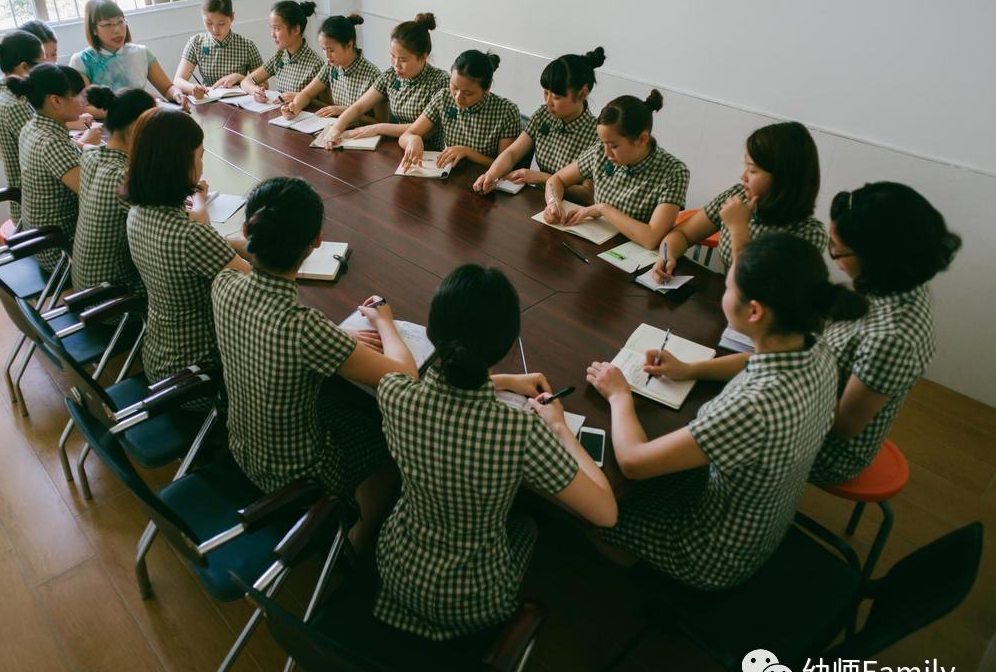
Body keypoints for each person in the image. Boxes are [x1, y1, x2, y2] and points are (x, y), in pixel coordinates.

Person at [586, 234, 865, 588]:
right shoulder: (817, 349)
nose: (724, 294)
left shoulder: (753, 407)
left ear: (754, 312)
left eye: (729, 287)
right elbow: (751, 360)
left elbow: (634, 463)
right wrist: (690, 369)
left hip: (712, 553)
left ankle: (642, 572)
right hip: (766, 519)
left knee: (597, 512)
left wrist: (619, 395)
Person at [373, 264, 617, 640]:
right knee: (528, 525)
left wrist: (502, 381)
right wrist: (559, 427)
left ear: (433, 331)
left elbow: (440, 390)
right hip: (475, 601)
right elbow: (606, 513)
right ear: (506, 346)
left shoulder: (394, 392)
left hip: (396, 568)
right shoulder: (519, 431)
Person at [211, 177, 416, 547]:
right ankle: (354, 538)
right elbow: (405, 376)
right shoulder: (305, 328)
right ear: (317, 241)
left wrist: (334, 339)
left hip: (240, 446)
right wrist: (384, 321)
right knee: (386, 435)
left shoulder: (224, 284)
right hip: (297, 476)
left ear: (247, 230)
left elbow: (231, 250)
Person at [810, 182, 961, 485]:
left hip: (827, 452)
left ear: (876, 258)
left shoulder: (893, 339)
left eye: (837, 249)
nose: (833, 255)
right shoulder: (896, 281)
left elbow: (843, 425)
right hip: (814, 385)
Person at [124, 109, 249, 382]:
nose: (202, 165)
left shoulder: (138, 212)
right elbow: (257, 285)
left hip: (159, 355)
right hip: (201, 371)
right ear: (179, 164)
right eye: (200, 156)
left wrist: (231, 242)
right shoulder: (191, 236)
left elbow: (199, 245)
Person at [653, 122, 827, 281]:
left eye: (752, 170)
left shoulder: (809, 234)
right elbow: (682, 234)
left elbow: (754, 286)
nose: (743, 176)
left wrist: (738, 229)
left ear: (782, 178)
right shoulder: (739, 197)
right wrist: (666, 257)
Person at [543, 90, 689, 249]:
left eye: (614, 146)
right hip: (594, 243)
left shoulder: (674, 173)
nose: (606, 153)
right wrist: (553, 203)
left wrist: (603, 209)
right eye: (603, 143)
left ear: (642, 139)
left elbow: (651, 238)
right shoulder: (601, 150)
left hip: (631, 255)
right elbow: (556, 179)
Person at [474, 48, 606, 200]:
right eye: (546, 93)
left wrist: (543, 178)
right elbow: (512, 153)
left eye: (556, 97)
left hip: (569, 208)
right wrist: (490, 175)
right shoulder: (543, 115)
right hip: (538, 201)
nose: (548, 102)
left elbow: (587, 194)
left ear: (583, 93)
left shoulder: (597, 135)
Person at [318, 12, 448, 149]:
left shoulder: (440, 82)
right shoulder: (391, 75)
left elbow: (426, 131)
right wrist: (336, 130)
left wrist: (378, 128)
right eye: (392, 56)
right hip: (397, 147)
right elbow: (359, 106)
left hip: (428, 153)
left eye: (403, 60)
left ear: (423, 57)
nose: (396, 65)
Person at [70, 86, 155, 295]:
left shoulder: (91, 157)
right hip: (114, 294)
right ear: (136, 127)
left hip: (83, 285)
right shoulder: (124, 177)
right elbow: (163, 225)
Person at [9, 63, 90, 272]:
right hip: (61, 251)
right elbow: (92, 194)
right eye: (78, 94)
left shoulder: (32, 127)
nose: (84, 99)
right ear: (55, 101)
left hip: (40, 241)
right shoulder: (52, 143)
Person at [398, 50, 521, 171]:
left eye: (468, 93)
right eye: (454, 87)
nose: (458, 97)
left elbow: (506, 165)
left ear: (487, 88)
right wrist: (413, 139)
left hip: (483, 178)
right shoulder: (443, 97)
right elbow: (405, 136)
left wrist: (467, 152)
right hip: (448, 173)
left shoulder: (507, 111)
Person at [68, 0, 183, 105]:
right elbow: (83, 106)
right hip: (106, 119)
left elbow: (167, 88)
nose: (117, 30)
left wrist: (177, 94)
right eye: (108, 24)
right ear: (93, 29)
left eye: (120, 22)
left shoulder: (141, 53)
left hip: (141, 115)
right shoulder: (82, 61)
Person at [0, 30, 43, 224]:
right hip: (34, 205)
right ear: (24, 67)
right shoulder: (16, 105)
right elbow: (44, 154)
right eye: (42, 64)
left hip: (23, 196)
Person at [278, 13, 382, 121]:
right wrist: (294, 108)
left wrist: (344, 111)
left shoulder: (373, 76)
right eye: (323, 49)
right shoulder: (330, 66)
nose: (327, 56)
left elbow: (380, 122)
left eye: (331, 50)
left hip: (360, 130)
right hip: (335, 126)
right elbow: (307, 93)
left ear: (349, 45)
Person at [172, 0, 264, 98]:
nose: (215, 30)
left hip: (241, 103)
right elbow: (178, 81)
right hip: (209, 101)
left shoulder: (247, 46)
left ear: (232, 17)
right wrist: (193, 88)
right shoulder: (196, 43)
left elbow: (264, 85)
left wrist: (240, 78)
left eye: (221, 23)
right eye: (209, 23)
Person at [240, 0, 324, 100]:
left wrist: (299, 97)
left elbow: (326, 105)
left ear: (296, 30)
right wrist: (256, 91)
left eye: (277, 28)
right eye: (271, 28)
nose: (272, 34)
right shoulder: (280, 56)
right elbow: (246, 81)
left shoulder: (317, 65)